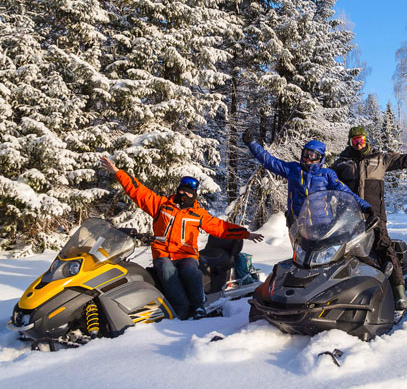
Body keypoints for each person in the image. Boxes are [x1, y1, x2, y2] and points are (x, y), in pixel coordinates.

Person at [99, 156, 263, 320]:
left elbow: (220, 227)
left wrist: (246, 234)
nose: (183, 194)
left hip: (186, 254)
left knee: (191, 272)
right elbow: (138, 191)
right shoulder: (162, 206)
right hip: (163, 253)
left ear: (194, 195)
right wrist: (117, 172)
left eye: (187, 192)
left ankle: (199, 306)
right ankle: (181, 309)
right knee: (167, 271)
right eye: (181, 191)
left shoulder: (198, 214)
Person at [331, 126, 407, 310]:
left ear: (367, 140)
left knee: (384, 248)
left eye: (361, 140)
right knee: (343, 252)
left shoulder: (380, 159)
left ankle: (399, 292)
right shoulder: (341, 164)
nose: (358, 144)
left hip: (375, 216)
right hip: (349, 218)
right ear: (349, 142)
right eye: (355, 141)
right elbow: (321, 180)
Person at [241, 129, 373, 227]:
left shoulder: (326, 174)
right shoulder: (293, 169)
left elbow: (345, 191)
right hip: (298, 224)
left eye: (312, 155)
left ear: (320, 158)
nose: (307, 158)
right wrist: (252, 144)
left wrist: (365, 207)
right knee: (301, 259)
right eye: (305, 154)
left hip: (323, 224)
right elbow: (269, 161)